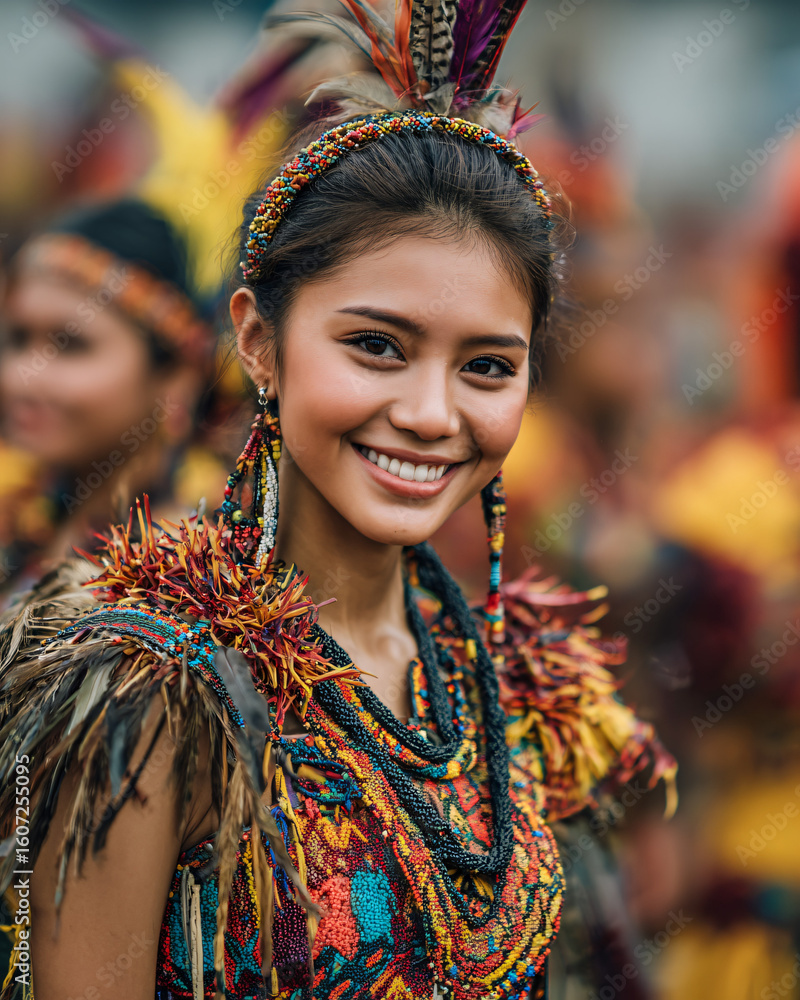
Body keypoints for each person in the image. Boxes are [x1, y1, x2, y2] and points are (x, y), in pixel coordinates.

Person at [0, 2, 675, 998]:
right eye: (376, 346)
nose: (430, 412)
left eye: (487, 366)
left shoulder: (525, 687)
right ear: (259, 342)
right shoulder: (153, 690)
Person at [0, 198, 218, 604]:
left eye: (71, 345)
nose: (20, 376)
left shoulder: (186, 576)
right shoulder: (23, 523)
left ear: (176, 377)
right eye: (16, 339)